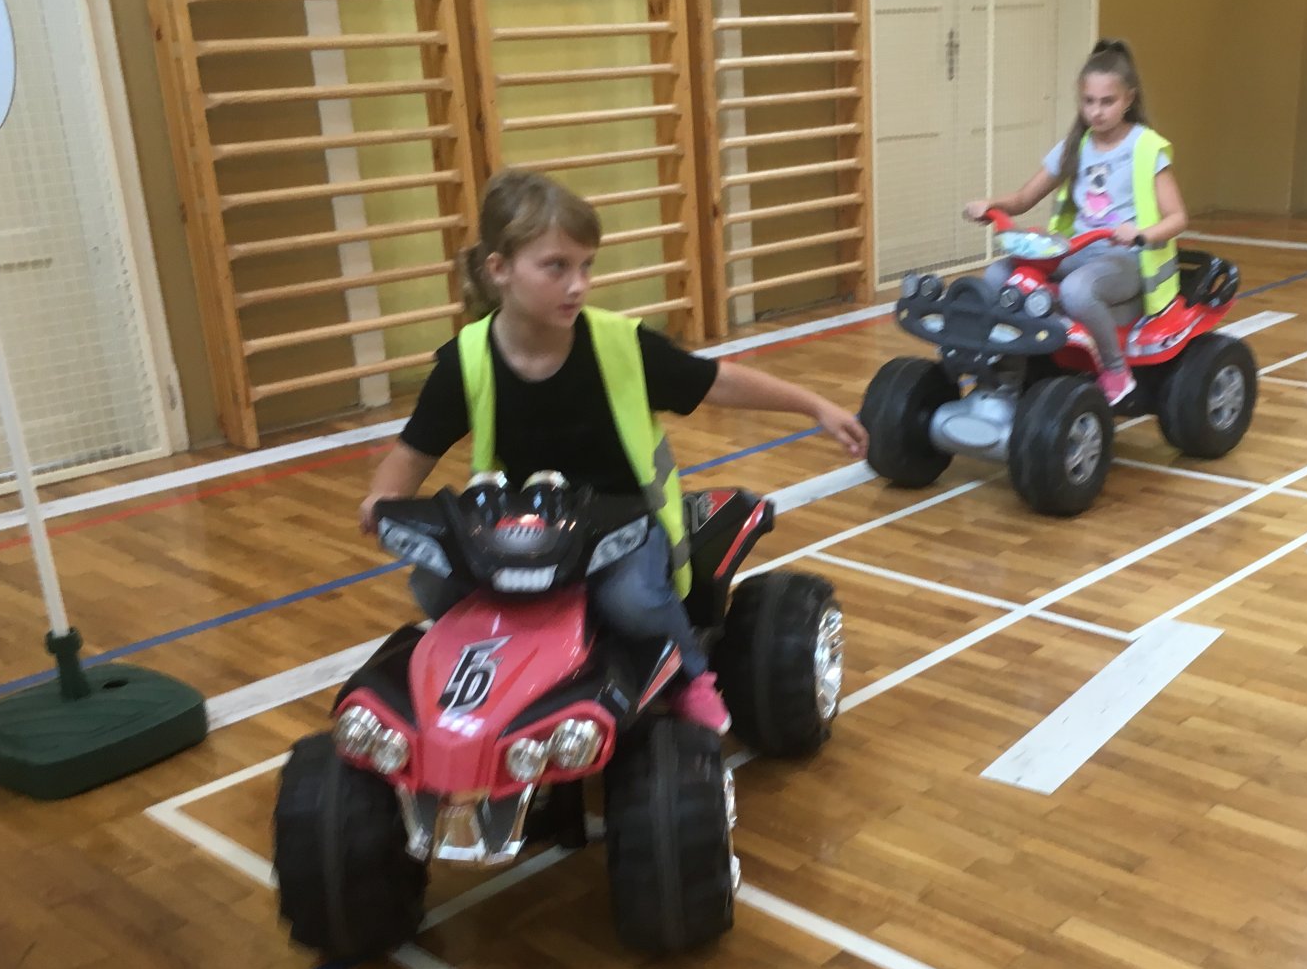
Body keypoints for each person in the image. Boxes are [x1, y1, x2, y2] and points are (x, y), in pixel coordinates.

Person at [359, 169, 867, 735]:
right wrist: (384, 498)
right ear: (499, 269)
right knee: (434, 585)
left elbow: (717, 382)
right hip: (524, 530)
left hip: (623, 520)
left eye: (586, 266)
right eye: (556, 267)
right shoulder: (467, 359)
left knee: (632, 600)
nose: (577, 285)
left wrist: (814, 406)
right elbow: (415, 449)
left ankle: (691, 677)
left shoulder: (620, 344)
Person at [964, 38, 1190, 407]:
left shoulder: (1146, 147)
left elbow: (1178, 217)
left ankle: (1115, 370)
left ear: (1129, 99)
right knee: (998, 274)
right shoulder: (1075, 146)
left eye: (1107, 102)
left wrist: (1140, 235)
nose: (1096, 112)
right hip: (1077, 250)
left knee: (1076, 291)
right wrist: (991, 205)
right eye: (1089, 102)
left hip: (1125, 258)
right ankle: (1005, 367)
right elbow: (1024, 199)